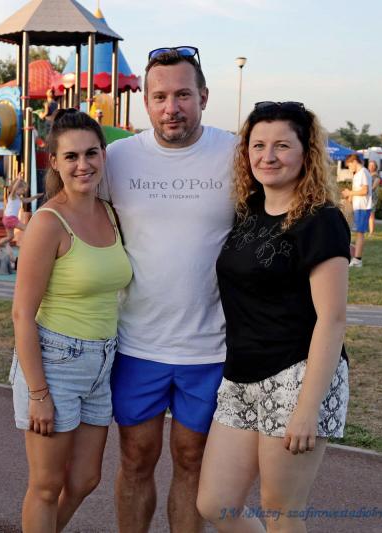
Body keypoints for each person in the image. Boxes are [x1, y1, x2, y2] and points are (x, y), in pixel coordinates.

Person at [101, 46, 236, 532]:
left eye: (182, 95)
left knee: (192, 459)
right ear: (145, 101)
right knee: (136, 457)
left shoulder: (237, 154)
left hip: (212, 346)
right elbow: (71, 213)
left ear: (204, 96)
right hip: (138, 342)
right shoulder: (117, 159)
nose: (170, 107)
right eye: (159, 97)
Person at [197, 101, 350, 532]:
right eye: (258, 145)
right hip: (241, 374)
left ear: (306, 152)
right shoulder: (247, 211)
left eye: (282, 145)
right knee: (216, 504)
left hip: (297, 375)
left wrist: (307, 408)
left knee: (281, 509)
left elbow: (333, 319)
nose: (268, 156)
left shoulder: (321, 220)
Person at [10, 109, 132, 532]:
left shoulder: (110, 213)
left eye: (91, 153)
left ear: (103, 155)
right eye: (72, 156)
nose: (84, 164)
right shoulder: (48, 223)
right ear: (55, 162)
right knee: (46, 486)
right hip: (56, 362)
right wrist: (38, 394)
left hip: (103, 362)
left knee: (84, 480)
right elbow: (22, 314)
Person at [0, 178, 43, 266]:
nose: (24, 191)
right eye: (22, 190)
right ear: (17, 188)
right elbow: (14, 188)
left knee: (10, 237)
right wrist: (19, 179)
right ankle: (32, 245)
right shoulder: (12, 195)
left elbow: (27, 200)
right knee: (28, 229)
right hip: (10, 219)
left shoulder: (18, 198)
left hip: (8, 219)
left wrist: (36, 197)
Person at [341, 154, 372, 267]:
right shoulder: (357, 174)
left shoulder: (363, 172)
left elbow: (365, 191)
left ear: (354, 162)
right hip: (358, 206)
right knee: (357, 233)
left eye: (349, 165)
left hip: (363, 207)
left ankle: (358, 260)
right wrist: (349, 197)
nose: (349, 168)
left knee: (360, 233)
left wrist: (350, 193)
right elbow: (357, 191)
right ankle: (355, 258)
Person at [367, 160, 381, 235]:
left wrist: (365, 190)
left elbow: (373, 187)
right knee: (367, 214)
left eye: (373, 165)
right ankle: (367, 230)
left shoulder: (377, 176)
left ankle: (371, 232)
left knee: (371, 214)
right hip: (366, 196)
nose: (371, 167)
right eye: (370, 165)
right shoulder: (368, 174)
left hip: (372, 197)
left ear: (376, 167)